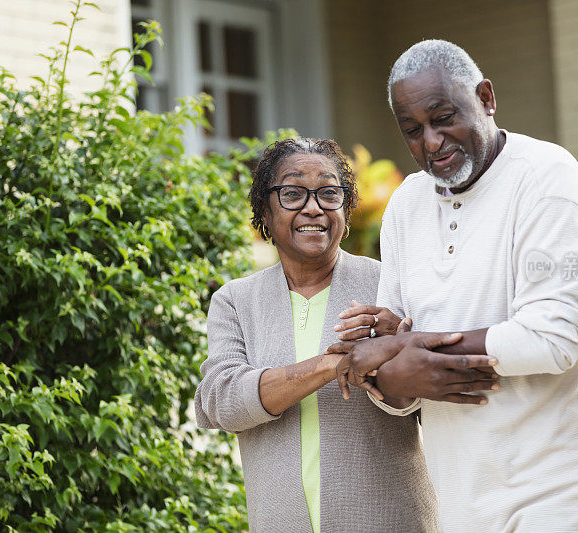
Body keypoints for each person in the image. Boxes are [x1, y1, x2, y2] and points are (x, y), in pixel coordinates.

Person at [328, 40, 578, 532]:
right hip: (465, 502)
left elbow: (553, 338)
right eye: (412, 130)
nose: (431, 142)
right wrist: (389, 376)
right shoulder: (405, 205)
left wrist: (413, 346)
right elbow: (400, 376)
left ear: (486, 98)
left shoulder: (545, 177)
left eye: (443, 117)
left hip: (566, 496)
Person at [194, 138, 493, 532]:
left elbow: (420, 403)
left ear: (346, 211)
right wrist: (330, 365)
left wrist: (399, 342)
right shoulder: (236, 301)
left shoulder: (388, 283)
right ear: (265, 212)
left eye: (329, 193)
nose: (313, 207)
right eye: (293, 193)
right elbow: (221, 402)